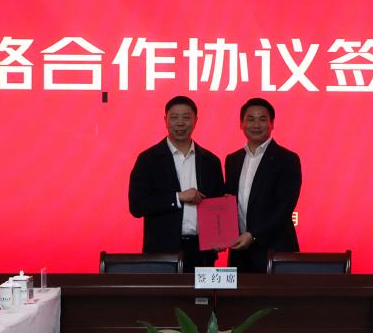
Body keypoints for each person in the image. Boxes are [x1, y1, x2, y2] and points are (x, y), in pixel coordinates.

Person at [129, 96, 224, 272]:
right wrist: (178, 198)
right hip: (161, 253)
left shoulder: (211, 161)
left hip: (202, 253)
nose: (180, 123)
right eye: (174, 117)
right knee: (162, 292)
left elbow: (217, 203)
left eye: (186, 117)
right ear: (165, 120)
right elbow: (137, 206)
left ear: (195, 121)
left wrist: (220, 236)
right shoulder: (148, 159)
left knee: (202, 292)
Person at [224, 98, 302, 273]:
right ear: (241, 124)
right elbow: (228, 201)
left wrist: (253, 235)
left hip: (275, 251)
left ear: (272, 124)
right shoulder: (233, 160)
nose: (256, 125)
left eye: (262, 119)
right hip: (240, 253)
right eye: (250, 119)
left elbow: (284, 208)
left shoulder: (287, 159)